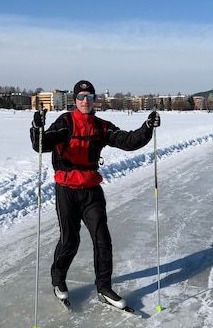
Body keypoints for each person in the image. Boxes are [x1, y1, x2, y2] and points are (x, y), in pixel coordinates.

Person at [30, 79, 160, 309]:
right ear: (75, 100)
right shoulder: (65, 123)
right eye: (81, 97)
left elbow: (128, 141)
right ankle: (58, 280)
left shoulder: (101, 126)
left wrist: (147, 127)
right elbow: (42, 144)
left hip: (91, 191)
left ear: (94, 100)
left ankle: (104, 288)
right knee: (70, 240)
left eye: (89, 97)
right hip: (67, 190)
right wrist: (37, 127)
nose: (85, 101)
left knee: (102, 240)